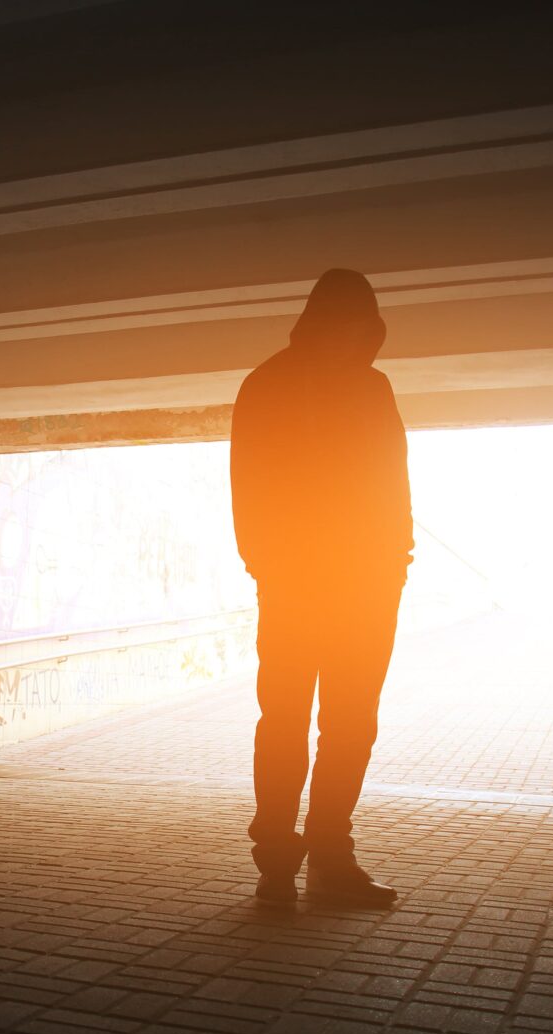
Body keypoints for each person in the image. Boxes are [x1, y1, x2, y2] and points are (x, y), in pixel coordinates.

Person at [229, 268, 411, 906]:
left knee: (316, 723)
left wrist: (393, 566)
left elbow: (392, 488)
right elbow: (250, 492)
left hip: (335, 589)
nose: (359, 336)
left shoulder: (342, 386)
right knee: (321, 724)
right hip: (321, 587)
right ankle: (304, 861)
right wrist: (273, 568)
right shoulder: (289, 385)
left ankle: (302, 861)